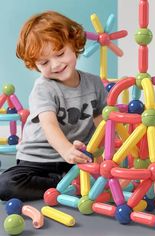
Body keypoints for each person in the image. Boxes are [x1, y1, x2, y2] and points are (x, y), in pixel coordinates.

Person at [0, 11, 107, 201]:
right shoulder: (44, 88)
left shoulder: (94, 83)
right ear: (35, 65)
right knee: (6, 185)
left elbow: (101, 120)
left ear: (74, 45)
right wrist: (65, 149)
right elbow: (49, 125)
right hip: (39, 159)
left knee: (104, 175)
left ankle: (71, 182)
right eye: (44, 62)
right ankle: (67, 184)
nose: (55, 64)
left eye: (60, 54)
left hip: (76, 158)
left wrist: (110, 148)